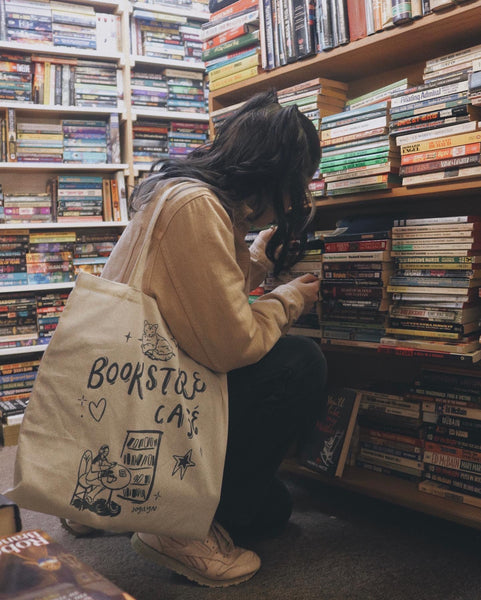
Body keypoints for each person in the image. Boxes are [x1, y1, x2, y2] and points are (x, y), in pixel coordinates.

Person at [65, 89, 328, 587]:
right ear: (274, 173)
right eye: (297, 182)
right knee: (300, 363)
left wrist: (259, 258)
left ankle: (111, 503)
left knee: (272, 508)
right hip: (160, 408)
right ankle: (175, 526)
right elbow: (231, 346)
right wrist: (290, 297)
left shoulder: (185, 194)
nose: (296, 199)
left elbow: (197, 290)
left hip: (118, 404)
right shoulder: (198, 208)